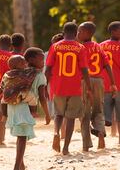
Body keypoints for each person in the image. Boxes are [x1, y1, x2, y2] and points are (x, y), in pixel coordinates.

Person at [0, 47, 50, 170]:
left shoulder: (15, 73)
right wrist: (47, 114)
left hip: (12, 107)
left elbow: (1, 89)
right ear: (31, 60)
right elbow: (42, 97)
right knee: (22, 137)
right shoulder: (38, 75)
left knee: (20, 136)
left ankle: (21, 165)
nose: (43, 62)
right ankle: (17, 166)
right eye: (41, 60)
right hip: (24, 109)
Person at [45, 22, 92, 155]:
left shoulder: (55, 46)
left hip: (58, 86)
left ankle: (55, 132)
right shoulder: (80, 47)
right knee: (71, 117)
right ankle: (65, 148)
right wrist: (88, 88)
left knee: (59, 114)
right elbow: (84, 70)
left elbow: (48, 68)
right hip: (74, 87)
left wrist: (44, 86)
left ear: (63, 32)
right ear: (76, 32)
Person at [77, 21, 117, 151]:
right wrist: (112, 83)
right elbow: (107, 65)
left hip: (85, 81)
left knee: (84, 112)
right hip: (99, 81)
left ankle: (86, 145)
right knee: (98, 110)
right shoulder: (99, 47)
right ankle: (100, 136)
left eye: (80, 31)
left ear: (88, 33)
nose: (78, 33)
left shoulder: (79, 47)